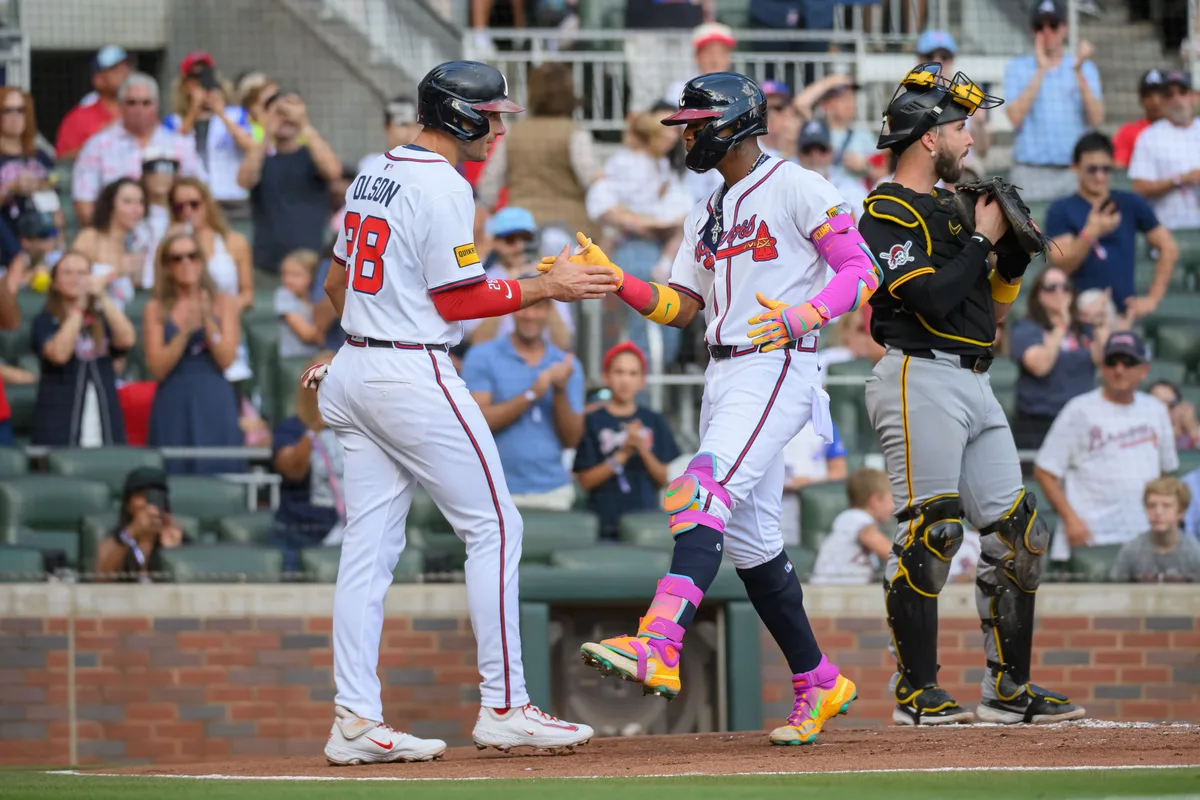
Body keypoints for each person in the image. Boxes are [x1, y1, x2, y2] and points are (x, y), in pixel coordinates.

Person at [557, 72, 879, 745]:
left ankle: (660, 642)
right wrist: (619, 280)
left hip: (778, 361)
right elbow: (682, 307)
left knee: (698, 489)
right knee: (754, 547)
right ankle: (818, 679)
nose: (686, 135)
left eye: (696, 124)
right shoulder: (705, 207)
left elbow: (861, 271)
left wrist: (805, 313)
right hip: (723, 371)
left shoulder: (797, 185)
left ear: (734, 123)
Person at [303, 61, 609, 763]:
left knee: (367, 552)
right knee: (496, 525)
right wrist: (548, 285)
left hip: (359, 365)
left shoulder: (373, 171)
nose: (499, 128)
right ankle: (504, 706)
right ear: (460, 114)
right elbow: (459, 300)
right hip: (411, 369)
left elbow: (335, 284)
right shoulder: (442, 183)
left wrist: (364, 347)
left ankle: (355, 718)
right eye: (491, 115)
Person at [858, 62, 1084, 725]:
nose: (970, 138)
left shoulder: (954, 206)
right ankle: (916, 693)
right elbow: (928, 298)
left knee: (1019, 534)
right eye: (962, 127)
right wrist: (983, 239)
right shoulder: (884, 210)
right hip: (917, 371)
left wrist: (1008, 260)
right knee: (933, 531)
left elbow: (994, 312)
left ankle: (1008, 691)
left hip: (974, 376)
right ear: (929, 137)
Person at [1035, 331, 1179, 563]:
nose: (1119, 369)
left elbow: (1165, 473)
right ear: (1102, 367)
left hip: (1142, 535)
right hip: (1091, 538)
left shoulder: (1156, 410)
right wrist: (1071, 519)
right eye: (1112, 362)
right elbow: (1045, 471)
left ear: (1144, 370)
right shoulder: (1079, 410)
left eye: (1128, 362)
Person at [585, 108, 691, 362]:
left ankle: (657, 369)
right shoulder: (625, 162)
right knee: (642, 316)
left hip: (658, 244)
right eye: (665, 136)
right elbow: (603, 204)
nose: (672, 140)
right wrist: (636, 222)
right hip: (633, 244)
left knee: (662, 313)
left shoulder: (661, 165)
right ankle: (643, 373)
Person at [462, 292, 585, 511]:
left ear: (549, 312)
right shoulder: (481, 356)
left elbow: (571, 440)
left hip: (553, 490)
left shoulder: (566, 364)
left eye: (538, 307)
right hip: (493, 490)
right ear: (512, 310)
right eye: (524, 307)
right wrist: (532, 394)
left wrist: (559, 390)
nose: (530, 315)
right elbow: (477, 424)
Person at [143, 231, 243, 475]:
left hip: (214, 394)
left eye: (192, 255)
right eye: (177, 258)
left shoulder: (224, 302)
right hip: (174, 395)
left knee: (220, 470)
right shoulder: (155, 308)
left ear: (201, 261)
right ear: (167, 267)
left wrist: (208, 321)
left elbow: (227, 359)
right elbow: (157, 368)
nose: (186, 263)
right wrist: (185, 331)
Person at [1046, 132, 1178, 316]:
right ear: (1075, 168)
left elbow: (1168, 247)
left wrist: (1152, 299)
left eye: (1106, 169)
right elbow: (1062, 266)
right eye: (1092, 169)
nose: (1100, 176)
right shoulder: (1061, 209)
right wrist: (1090, 233)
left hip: (1123, 315)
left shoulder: (1129, 203)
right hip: (1079, 316)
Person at [475, 62, 599, 239]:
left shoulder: (514, 133)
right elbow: (592, 180)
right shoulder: (574, 133)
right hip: (570, 231)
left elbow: (488, 187)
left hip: (521, 230)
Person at [573, 342, 679, 541]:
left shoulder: (654, 420)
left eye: (633, 373)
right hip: (603, 526)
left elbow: (665, 479)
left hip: (646, 524)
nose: (625, 380)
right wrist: (621, 455)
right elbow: (585, 481)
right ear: (606, 377)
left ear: (642, 380)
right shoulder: (593, 421)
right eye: (619, 372)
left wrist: (641, 448)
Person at [72, 73, 205, 227]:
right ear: (120, 106)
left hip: (172, 234)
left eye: (146, 103)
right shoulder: (97, 146)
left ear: (156, 105)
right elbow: (84, 203)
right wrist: (105, 237)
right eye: (132, 103)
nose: (139, 109)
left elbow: (201, 194)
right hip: (116, 234)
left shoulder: (179, 145)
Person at [31, 251, 135, 446]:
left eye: (82, 273)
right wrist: (78, 309)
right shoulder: (44, 321)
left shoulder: (101, 319)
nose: (76, 279)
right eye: (67, 273)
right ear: (55, 282)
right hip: (59, 419)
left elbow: (127, 339)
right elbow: (58, 354)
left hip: (103, 413)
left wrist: (102, 296)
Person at [1003, 0, 1103, 202]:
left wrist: (1078, 72)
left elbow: (1096, 118)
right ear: (1032, 31)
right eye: (1040, 26)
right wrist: (1041, 69)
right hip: (1029, 172)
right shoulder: (1017, 67)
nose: (1047, 32)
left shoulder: (1083, 67)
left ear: (1065, 28)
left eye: (1054, 25)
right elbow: (1014, 117)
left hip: (1073, 173)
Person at [237, 89, 341, 273]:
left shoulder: (312, 157)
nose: (285, 119)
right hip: (266, 264)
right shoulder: (261, 158)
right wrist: (267, 131)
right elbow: (244, 181)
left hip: (309, 265)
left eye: (290, 112)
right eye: (279, 113)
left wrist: (303, 124)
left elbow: (333, 171)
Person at [1007, 267, 1112, 450]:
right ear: (1039, 294)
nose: (1060, 292)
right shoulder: (1025, 329)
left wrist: (1099, 323)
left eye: (1066, 287)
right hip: (1040, 423)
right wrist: (1061, 325)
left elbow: (1102, 360)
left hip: (1082, 419)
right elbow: (1040, 366)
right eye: (1052, 287)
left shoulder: (1082, 328)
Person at [168, 176, 255, 384]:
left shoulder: (234, 242)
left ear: (207, 204)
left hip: (226, 327)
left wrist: (224, 310)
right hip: (184, 327)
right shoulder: (171, 248)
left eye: (194, 204)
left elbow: (248, 294)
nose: (187, 211)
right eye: (179, 206)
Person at [272, 350, 343, 574]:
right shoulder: (291, 429)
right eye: (322, 378)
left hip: (351, 532)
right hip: (300, 533)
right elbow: (291, 470)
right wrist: (314, 428)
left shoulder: (361, 429)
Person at [465, 208, 574, 350]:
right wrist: (507, 287)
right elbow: (478, 342)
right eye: (510, 240)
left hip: (540, 360)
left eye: (526, 238)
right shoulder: (481, 281)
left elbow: (563, 343)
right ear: (495, 242)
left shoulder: (547, 276)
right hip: (496, 361)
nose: (520, 246)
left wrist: (547, 288)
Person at [164, 51, 254, 211]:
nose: (201, 84)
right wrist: (193, 110)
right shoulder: (174, 121)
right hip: (193, 202)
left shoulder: (236, 114)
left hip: (232, 197)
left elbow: (249, 147)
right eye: (194, 79)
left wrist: (221, 113)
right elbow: (170, 149)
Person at [1128, 69, 1200, 231]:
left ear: (1194, 97)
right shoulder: (1150, 136)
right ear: (1162, 100)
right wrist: (1179, 179)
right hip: (1167, 230)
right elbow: (1139, 188)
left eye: (1182, 92)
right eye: (1169, 94)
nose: (1177, 99)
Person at [914, 30, 991, 167]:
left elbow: (982, 151)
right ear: (919, 58)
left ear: (952, 59)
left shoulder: (969, 94)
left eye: (944, 56)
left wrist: (979, 124)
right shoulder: (907, 96)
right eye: (929, 56)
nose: (937, 62)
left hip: (962, 172)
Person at [95, 467, 183, 582]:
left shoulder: (178, 537)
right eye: (141, 495)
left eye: (154, 497)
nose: (148, 504)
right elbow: (101, 580)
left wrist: (173, 553)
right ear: (128, 505)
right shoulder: (115, 540)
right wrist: (131, 532)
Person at [810, 467, 896, 585]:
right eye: (891, 499)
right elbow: (880, 545)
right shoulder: (854, 517)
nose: (894, 506)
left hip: (845, 591)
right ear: (875, 501)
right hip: (828, 592)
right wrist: (909, 562)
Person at [72, 177, 145, 309]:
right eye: (127, 202)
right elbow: (72, 280)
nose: (136, 210)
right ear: (110, 205)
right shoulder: (90, 237)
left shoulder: (139, 242)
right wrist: (115, 273)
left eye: (140, 202)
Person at [1111, 477, 1200, 582]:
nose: (1158, 512)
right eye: (1152, 506)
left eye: (1166, 506)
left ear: (1180, 512)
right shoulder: (1131, 551)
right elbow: (1114, 589)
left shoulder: (1194, 553)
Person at [0, 87, 56, 243]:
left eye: (21, 110)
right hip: (8, 242)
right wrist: (11, 188)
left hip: (44, 237)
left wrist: (41, 184)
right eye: (7, 111)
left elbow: (55, 181)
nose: (15, 117)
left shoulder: (41, 155)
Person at [55, 45, 130, 160]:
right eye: (114, 68)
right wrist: (98, 141)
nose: (123, 72)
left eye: (125, 65)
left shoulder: (141, 109)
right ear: (98, 79)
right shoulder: (79, 118)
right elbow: (62, 161)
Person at [780, 421, 848, 548]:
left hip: (814, 505)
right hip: (776, 503)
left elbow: (839, 471)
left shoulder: (822, 421)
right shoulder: (764, 419)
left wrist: (807, 483)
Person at [795, 119, 868, 221]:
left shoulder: (851, 189)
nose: (815, 156)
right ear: (798, 154)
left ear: (831, 152)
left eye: (822, 149)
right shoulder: (789, 188)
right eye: (808, 150)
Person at [814, 79, 876, 178]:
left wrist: (864, 167)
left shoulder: (864, 136)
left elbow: (882, 173)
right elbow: (800, 104)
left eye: (852, 98)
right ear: (826, 104)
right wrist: (831, 80)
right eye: (844, 99)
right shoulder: (813, 133)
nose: (850, 104)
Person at [138, 151, 178, 288]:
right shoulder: (132, 213)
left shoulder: (186, 212)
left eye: (168, 168)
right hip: (139, 287)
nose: (160, 175)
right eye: (152, 168)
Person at [1113, 69, 1168, 169]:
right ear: (1141, 100)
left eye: (1161, 95)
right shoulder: (1128, 132)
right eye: (1148, 96)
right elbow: (1118, 168)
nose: (1155, 101)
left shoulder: (1184, 130)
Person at [276, 248, 322, 359]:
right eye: (284, 274)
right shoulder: (284, 295)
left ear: (313, 276)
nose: (288, 280)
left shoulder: (319, 296)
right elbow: (307, 335)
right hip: (295, 359)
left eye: (296, 275)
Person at [357, 96, 421, 174]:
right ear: (388, 126)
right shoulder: (371, 164)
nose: (411, 131)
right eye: (404, 124)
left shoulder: (429, 165)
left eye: (415, 125)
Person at [1148, 380, 1200, 452]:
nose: (1165, 410)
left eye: (1171, 404)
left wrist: (1193, 428)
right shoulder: (1141, 431)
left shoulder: (1192, 427)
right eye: (1158, 404)